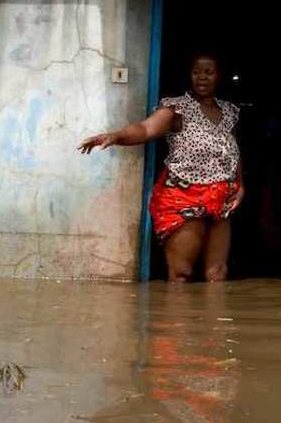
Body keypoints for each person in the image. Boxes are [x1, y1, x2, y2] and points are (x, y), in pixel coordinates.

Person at [78, 53, 243, 282]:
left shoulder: (230, 112)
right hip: (183, 195)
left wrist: (240, 184)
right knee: (180, 274)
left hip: (221, 196)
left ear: (219, 76)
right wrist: (115, 136)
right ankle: (175, 316)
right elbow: (145, 129)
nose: (202, 78)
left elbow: (233, 150)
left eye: (209, 72)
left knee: (217, 275)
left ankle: (212, 318)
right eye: (196, 72)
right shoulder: (177, 108)